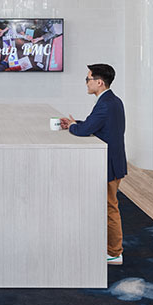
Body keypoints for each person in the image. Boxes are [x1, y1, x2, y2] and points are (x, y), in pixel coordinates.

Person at [59, 63, 128, 265]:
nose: (86, 83)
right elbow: (96, 126)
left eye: (88, 79)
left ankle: (114, 253)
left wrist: (74, 127)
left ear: (99, 82)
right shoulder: (112, 101)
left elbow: (84, 130)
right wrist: (76, 124)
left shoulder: (105, 103)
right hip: (113, 161)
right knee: (106, 206)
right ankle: (109, 247)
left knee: (109, 208)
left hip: (109, 165)